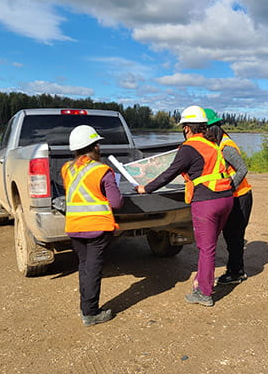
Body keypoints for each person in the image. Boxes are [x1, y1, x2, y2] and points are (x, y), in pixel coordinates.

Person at [136, 106, 233, 307]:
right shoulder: (212, 144)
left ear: (187, 128)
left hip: (207, 201)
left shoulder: (189, 148)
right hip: (226, 198)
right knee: (210, 245)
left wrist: (147, 188)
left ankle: (204, 293)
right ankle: (201, 281)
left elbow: (169, 173)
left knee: (206, 249)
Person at [61, 125, 123, 326]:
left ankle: (85, 308)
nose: (99, 146)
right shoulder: (103, 170)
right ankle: (90, 313)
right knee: (94, 269)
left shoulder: (67, 169)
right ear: (94, 146)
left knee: (84, 266)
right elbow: (116, 203)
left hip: (74, 226)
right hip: (97, 228)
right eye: (98, 143)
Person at [204, 108, 253, 285]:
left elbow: (242, 169)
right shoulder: (218, 143)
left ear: (212, 128)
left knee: (234, 236)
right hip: (233, 195)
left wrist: (229, 188)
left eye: (204, 129)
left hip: (240, 196)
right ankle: (235, 269)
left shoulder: (226, 146)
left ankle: (236, 272)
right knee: (230, 235)